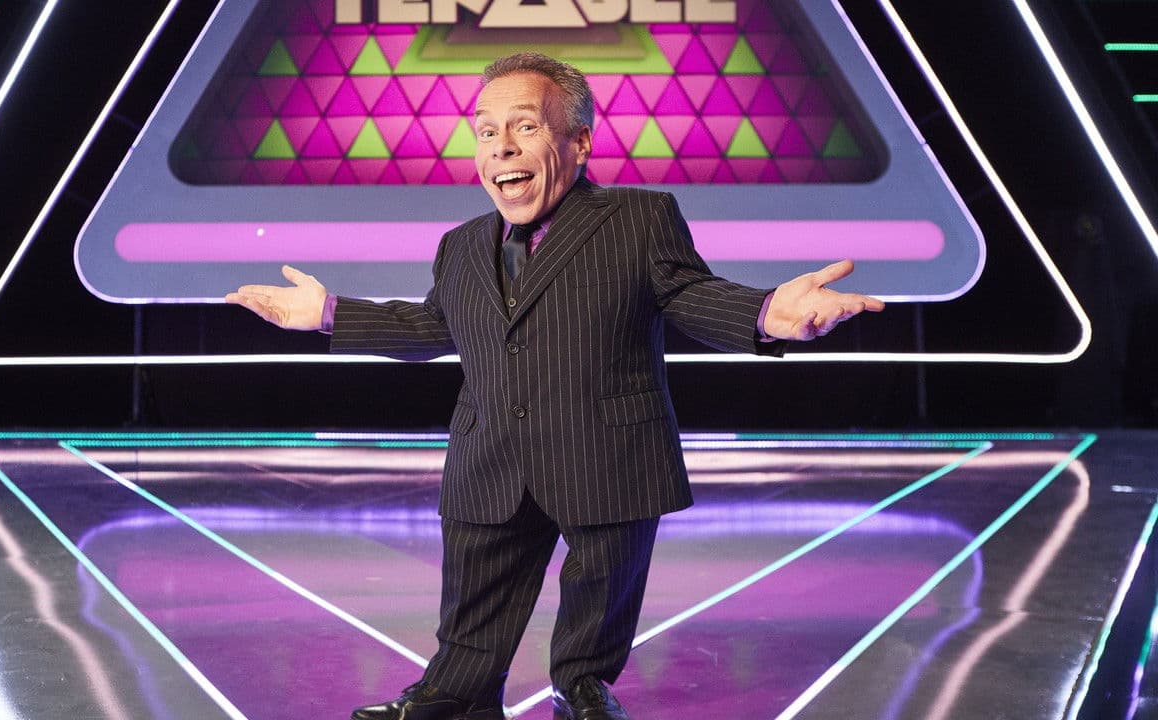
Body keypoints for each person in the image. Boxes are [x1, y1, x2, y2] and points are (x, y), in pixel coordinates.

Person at [226, 52, 884, 720]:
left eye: (525, 127)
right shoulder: (461, 245)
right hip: (491, 454)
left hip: (604, 450)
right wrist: (329, 314)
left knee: (600, 592)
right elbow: (434, 326)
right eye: (486, 131)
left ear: (579, 142)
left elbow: (690, 294)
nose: (501, 147)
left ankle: (582, 687)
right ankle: (455, 694)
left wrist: (767, 313)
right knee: (475, 598)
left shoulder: (637, 218)